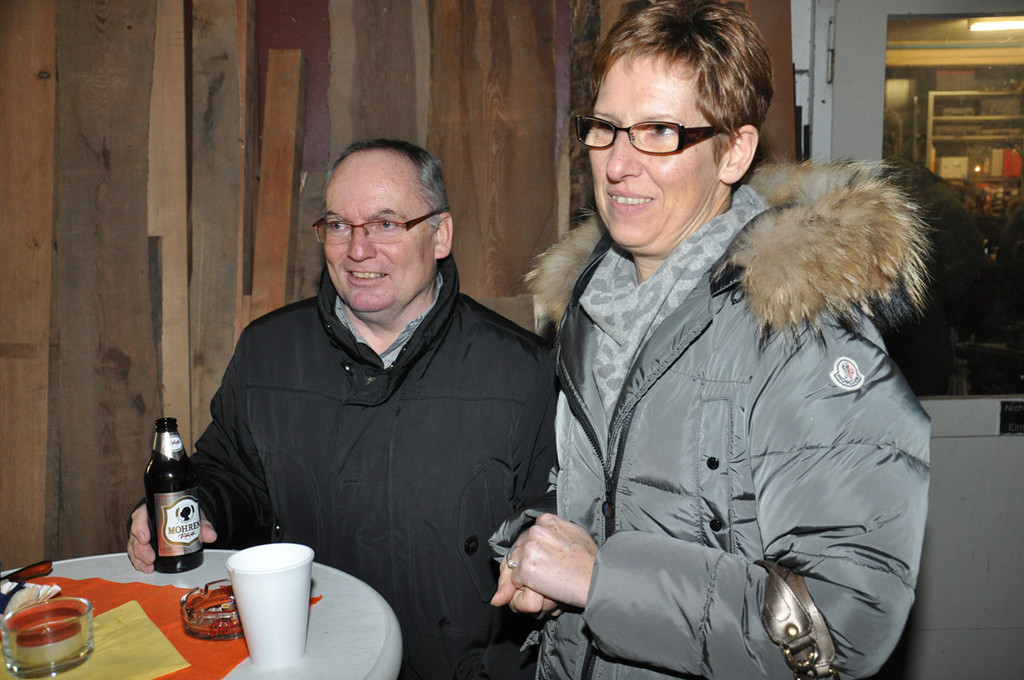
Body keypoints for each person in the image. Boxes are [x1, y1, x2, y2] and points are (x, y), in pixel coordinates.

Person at [489, 2, 931, 679]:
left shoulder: (798, 333)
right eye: (605, 128)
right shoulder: (591, 305)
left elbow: (836, 627)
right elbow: (623, 499)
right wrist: (542, 549)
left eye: (659, 132)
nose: (617, 164)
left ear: (734, 152)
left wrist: (602, 580)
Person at [127, 138, 557, 679]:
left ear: (440, 234)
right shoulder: (268, 352)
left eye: (385, 223)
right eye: (338, 225)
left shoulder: (523, 371)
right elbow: (232, 474)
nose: (357, 250)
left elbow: (556, 514)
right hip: (306, 662)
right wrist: (196, 507)